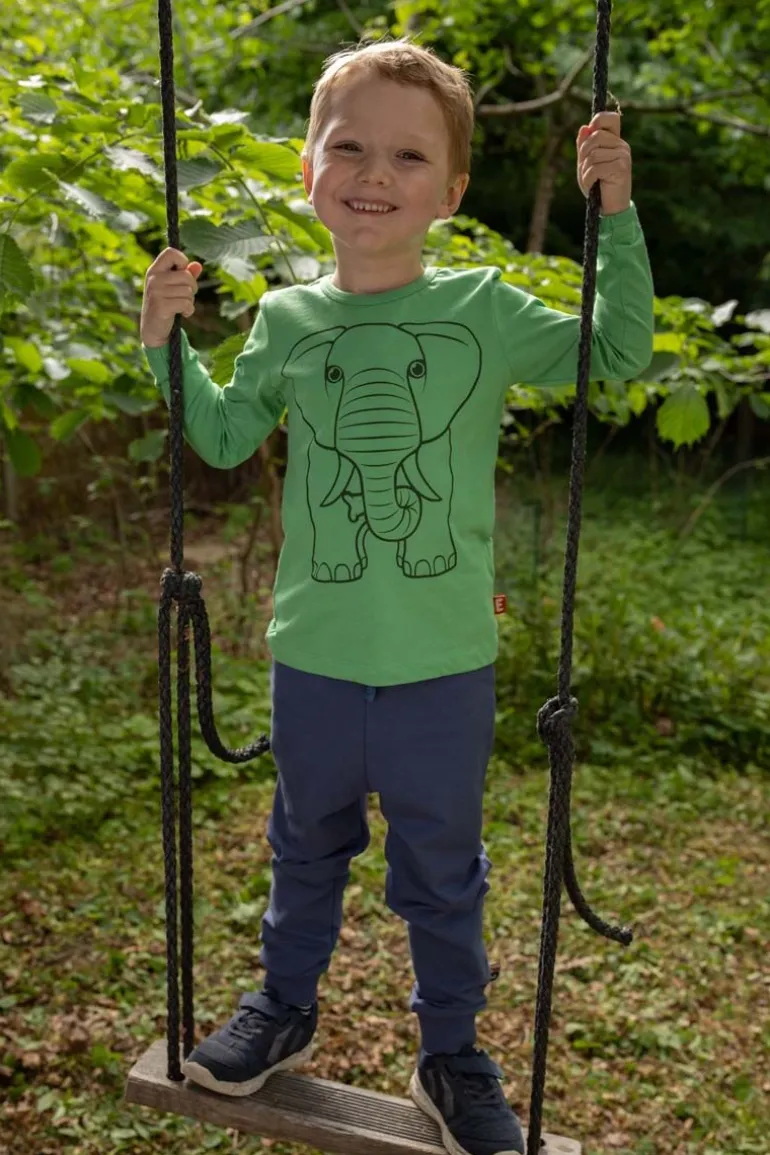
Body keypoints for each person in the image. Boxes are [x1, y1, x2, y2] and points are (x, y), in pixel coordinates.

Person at [140, 36, 653, 1155]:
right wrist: (164, 343)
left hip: (441, 664)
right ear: (308, 169)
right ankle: (282, 1009)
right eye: (348, 147)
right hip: (315, 655)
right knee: (303, 846)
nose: (374, 173)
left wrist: (612, 215)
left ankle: (450, 1053)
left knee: (441, 871)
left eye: (409, 156)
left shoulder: (480, 310)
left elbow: (617, 351)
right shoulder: (286, 320)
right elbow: (220, 436)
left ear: (451, 192)